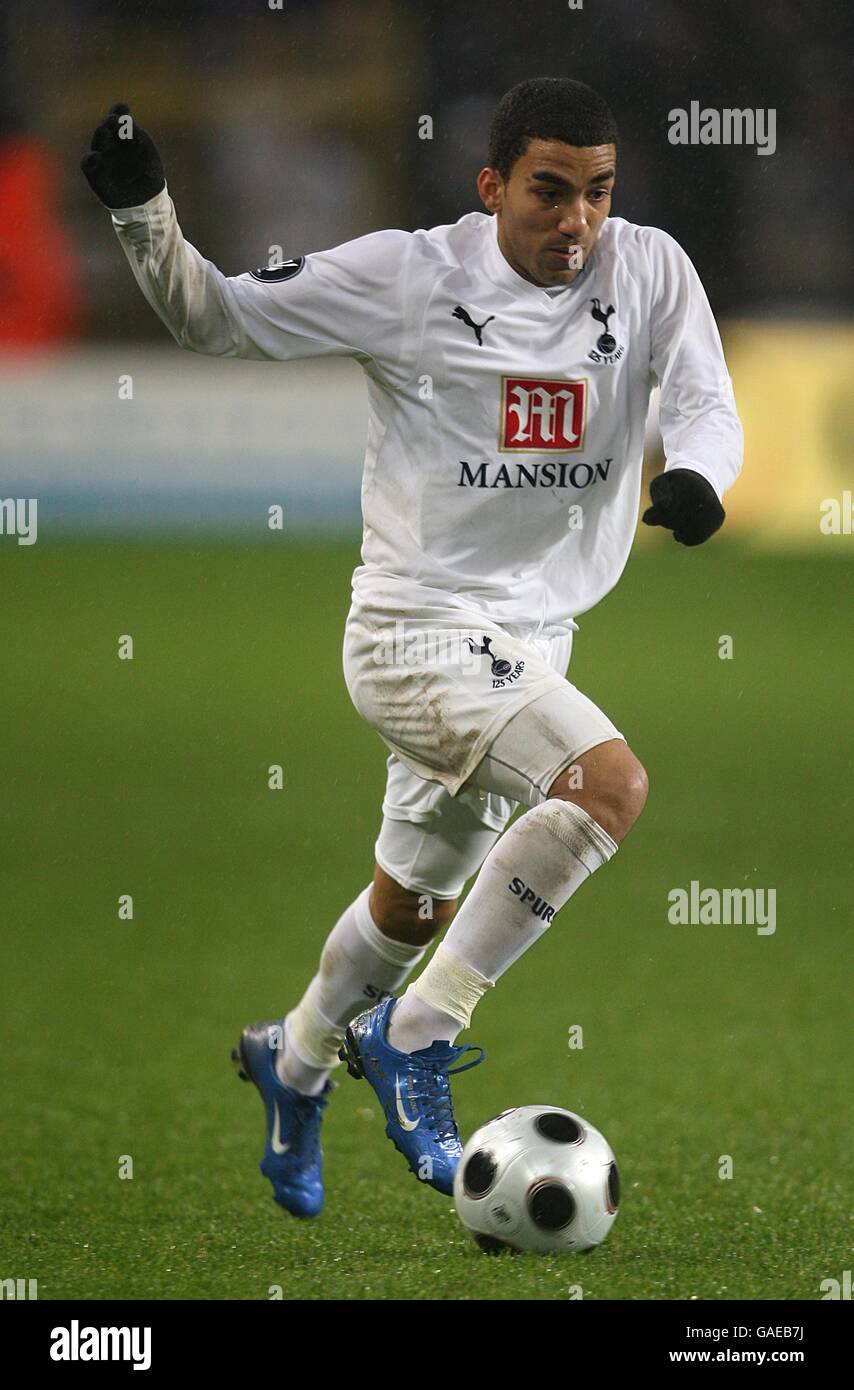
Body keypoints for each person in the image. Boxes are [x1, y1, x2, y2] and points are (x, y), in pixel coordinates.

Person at [82, 77, 743, 1216]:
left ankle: (289, 1063)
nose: (574, 219)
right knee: (605, 787)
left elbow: (705, 399)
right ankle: (418, 1037)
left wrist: (695, 472)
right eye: (547, 191)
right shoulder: (406, 276)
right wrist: (146, 211)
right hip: (415, 629)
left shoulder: (648, 269)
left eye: (595, 192)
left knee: (410, 905)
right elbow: (216, 317)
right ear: (491, 187)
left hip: (534, 641)